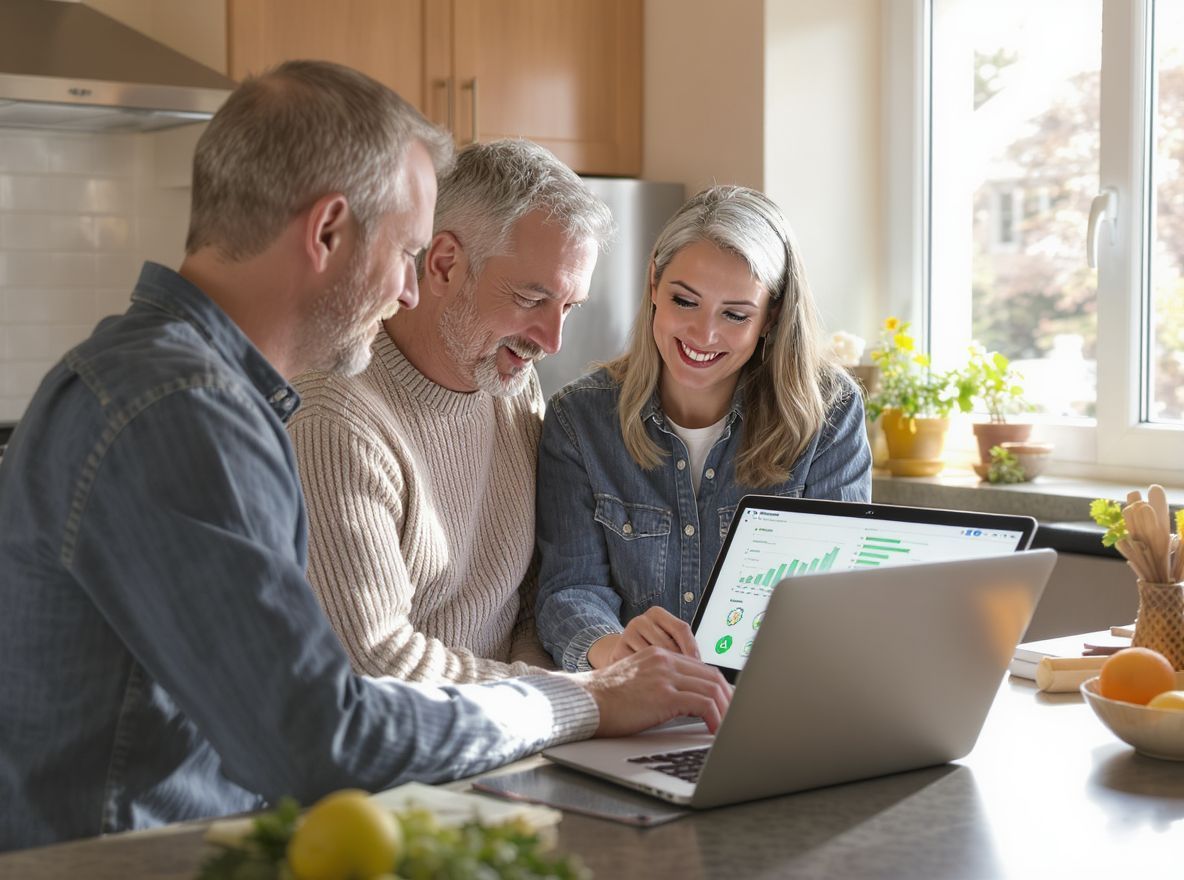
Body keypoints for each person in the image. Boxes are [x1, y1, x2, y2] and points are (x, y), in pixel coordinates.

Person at [0, 61, 730, 852]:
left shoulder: (193, 391)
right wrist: (582, 700)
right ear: (326, 234)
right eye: (406, 251)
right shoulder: (177, 413)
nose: (409, 292)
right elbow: (320, 733)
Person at [288, 140, 612, 683]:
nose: (552, 341)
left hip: (509, 734)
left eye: (569, 307)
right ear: (443, 264)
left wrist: (556, 718)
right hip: (397, 760)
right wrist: (580, 700)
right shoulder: (333, 418)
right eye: (533, 299)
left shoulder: (511, 386)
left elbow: (532, 605)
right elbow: (375, 665)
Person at [534, 186, 872, 672]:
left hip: (773, 694)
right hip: (636, 701)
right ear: (654, 283)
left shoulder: (828, 413)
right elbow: (570, 588)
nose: (703, 335)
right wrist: (619, 651)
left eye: (735, 314)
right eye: (684, 301)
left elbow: (837, 596)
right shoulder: (579, 421)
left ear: (770, 317)